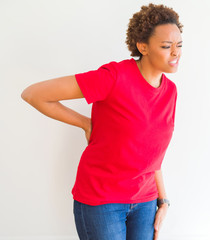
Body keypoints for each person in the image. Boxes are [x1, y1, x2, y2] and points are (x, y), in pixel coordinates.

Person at [21, 3, 183, 240]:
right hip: (102, 201)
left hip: (145, 202)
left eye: (179, 45)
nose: (176, 53)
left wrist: (163, 200)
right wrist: (85, 123)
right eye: (166, 46)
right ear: (143, 47)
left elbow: (153, 154)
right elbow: (34, 94)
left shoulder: (170, 92)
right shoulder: (113, 78)